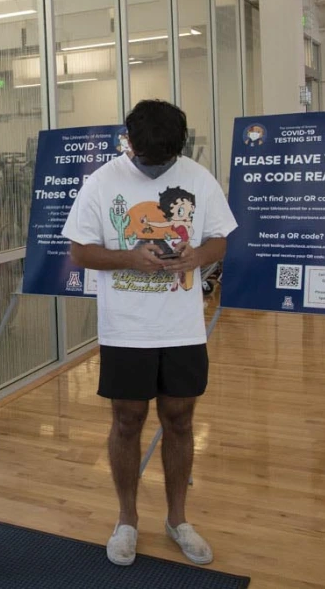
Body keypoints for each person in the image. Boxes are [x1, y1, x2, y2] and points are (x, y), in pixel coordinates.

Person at [62, 100, 237, 567]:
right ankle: (126, 520)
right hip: (125, 329)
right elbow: (79, 252)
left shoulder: (198, 178)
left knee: (179, 419)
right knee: (127, 420)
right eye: (146, 161)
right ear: (130, 142)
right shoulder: (102, 182)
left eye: (164, 163)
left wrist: (198, 257)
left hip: (182, 328)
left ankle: (178, 519)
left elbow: (220, 238)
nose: (154, 169)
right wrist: (130, 258)